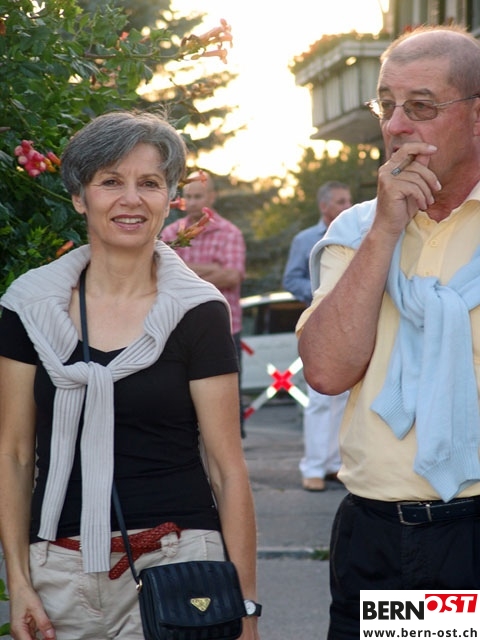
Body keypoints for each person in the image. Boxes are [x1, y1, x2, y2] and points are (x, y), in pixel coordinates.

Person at [0, 111, 261, 640]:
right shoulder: (28, 308)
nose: (131, 199)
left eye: (150, 183)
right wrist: (19, 581)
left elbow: (226, 468)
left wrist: (246, 607)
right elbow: (15, 455)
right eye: (110, 181)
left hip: (181, 565)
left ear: (169, 197)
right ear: (80, 197)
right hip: (59, 575)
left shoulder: (199, 311)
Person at [296, 24, 480, 639]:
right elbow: (326, 372)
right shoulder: (355, 230)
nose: (397, 125)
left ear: (477, 117)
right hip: (377, 537)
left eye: (421, 106)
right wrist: (383, 231)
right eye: (386, 105)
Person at [161, 171, 247, 435]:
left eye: (199, 196)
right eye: (188, 196)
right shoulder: (171, 233)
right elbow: (162, 275)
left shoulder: (229, 233)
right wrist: (211, 270)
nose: (192, 202)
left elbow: (231, 277)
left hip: (223, 329)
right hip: (177, 327)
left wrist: (185, 270)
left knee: (226, 403)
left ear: (212, 197)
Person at [283, 181, 352, 491]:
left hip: (351, 324)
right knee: (320, 398)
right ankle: (312, 467)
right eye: (340, 201)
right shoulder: (305, 239)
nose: (347, 206)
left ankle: (334, 464)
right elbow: (291, 278)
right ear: (324, 206)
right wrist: (320, 296)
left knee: (346, 396)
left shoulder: (357, 233)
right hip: (318, 323)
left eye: (349, 200)